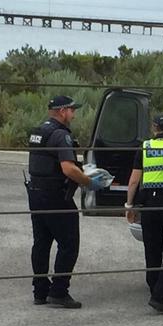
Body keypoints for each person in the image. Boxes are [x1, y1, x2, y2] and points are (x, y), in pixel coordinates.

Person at [27, 95, 105, 309]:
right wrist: (88, 182)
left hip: (36, 194)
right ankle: (59, 291)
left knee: (41, 243)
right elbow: (68, 168)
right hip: (56, 197)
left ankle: (40, 291)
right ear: (62, 111)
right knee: (69, 244)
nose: (74, 114)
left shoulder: (39, 132)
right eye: (72, 110)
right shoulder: (61, 135)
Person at [125, 114, 163, 314]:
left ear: (154, 128)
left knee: (152, 249)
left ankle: (155, 291)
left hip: (149, 205)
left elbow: (134, 181)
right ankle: (159, 296)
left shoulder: (145, 147)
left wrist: (129, 205)